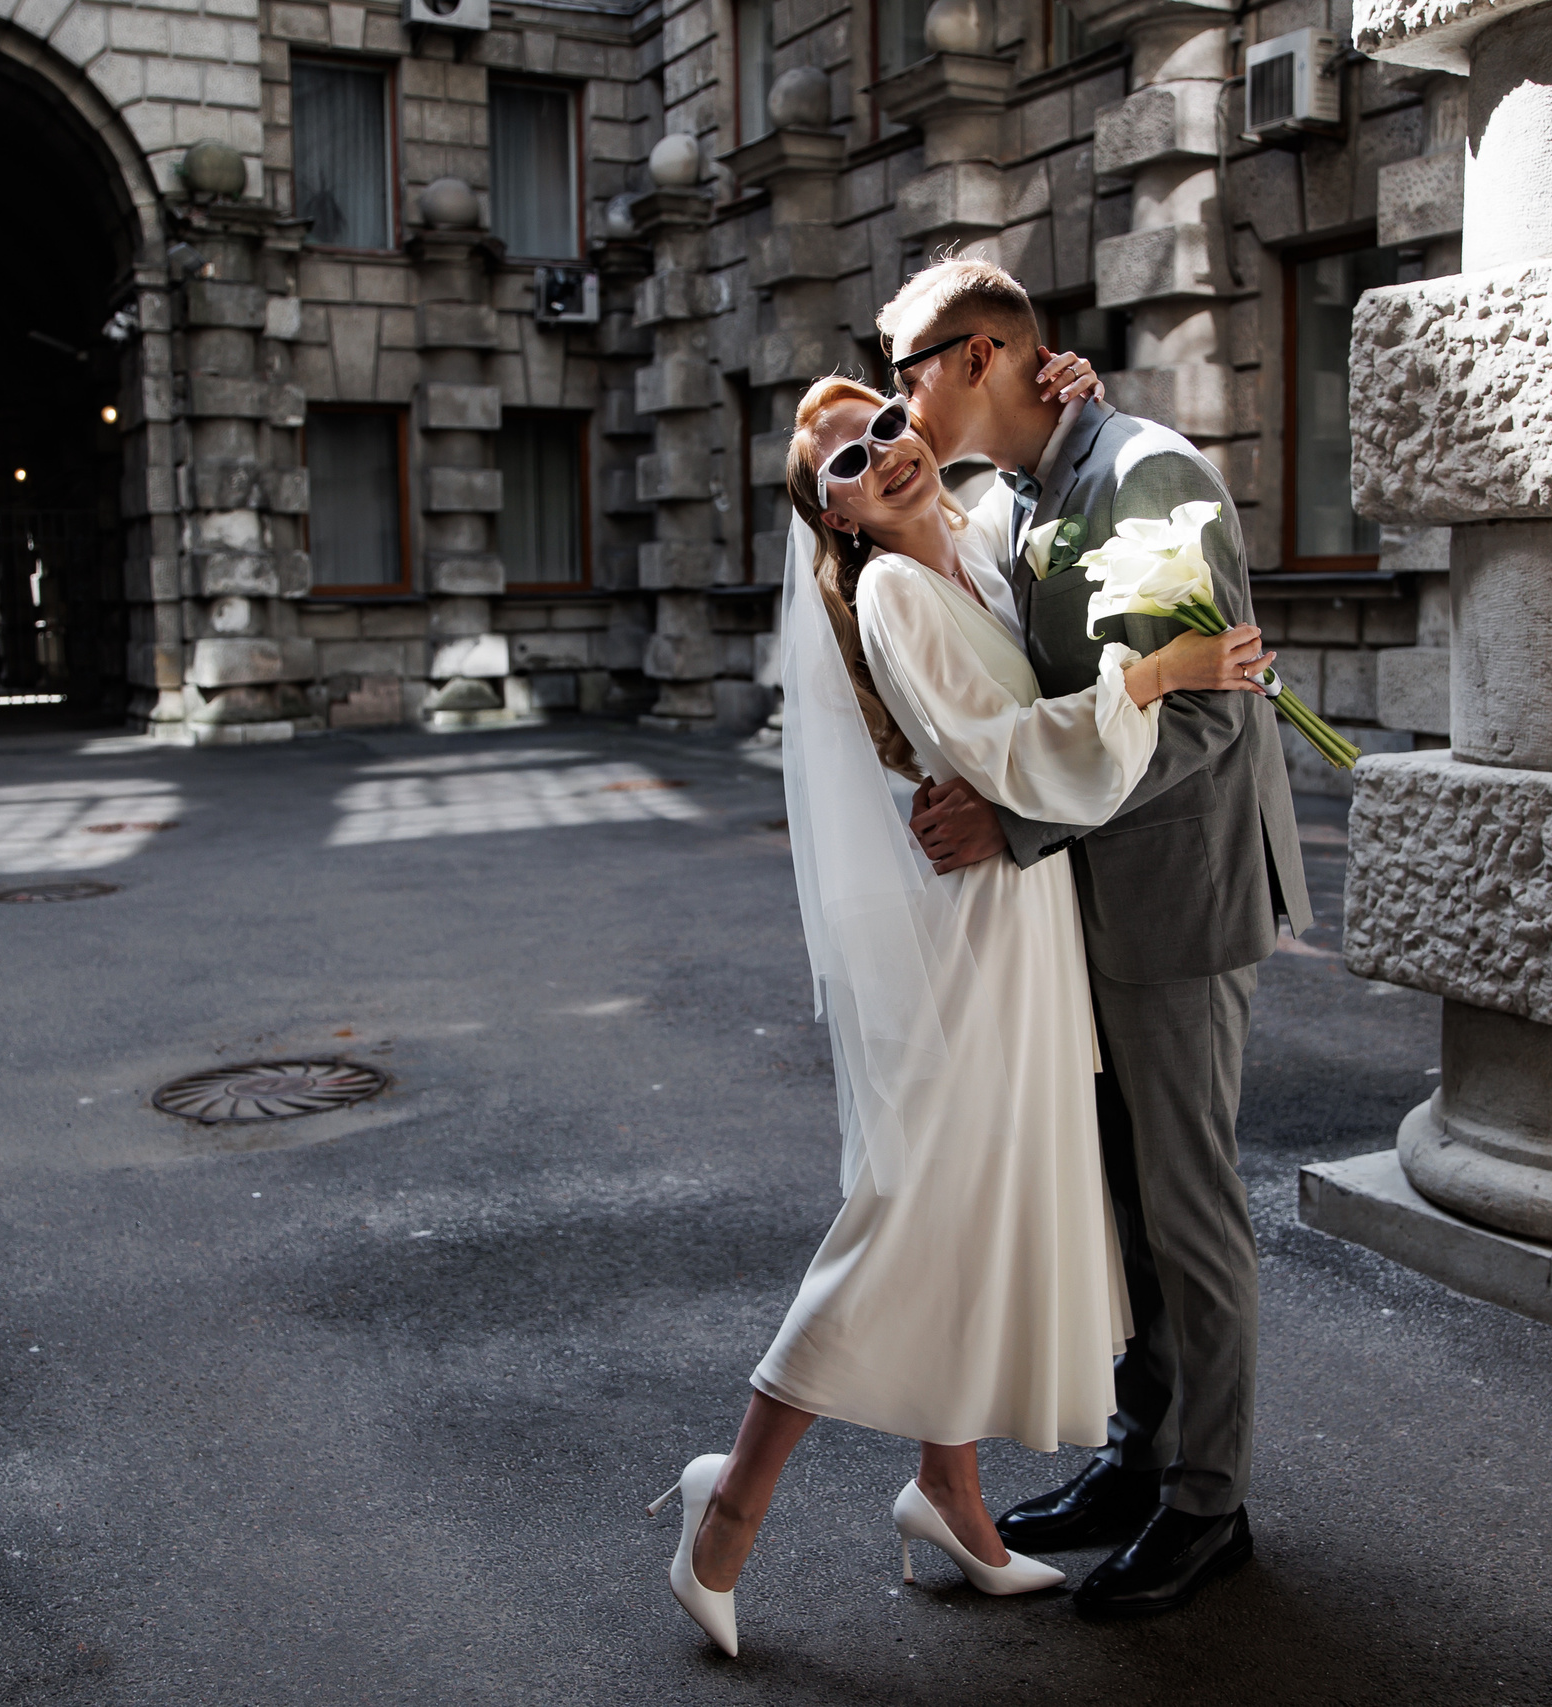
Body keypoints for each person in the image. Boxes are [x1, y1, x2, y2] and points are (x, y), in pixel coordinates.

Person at [649, 371, 1275, 1657]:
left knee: (977, 1203)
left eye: (885, 423)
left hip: (1039, 919)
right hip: (987, 932)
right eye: (841, 463)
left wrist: (1084, 386)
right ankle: (731, 1505)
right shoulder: (889, 591)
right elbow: (1006, 750)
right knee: (915, 1207)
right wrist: (1163, 674)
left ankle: (950, 1495)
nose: (878, 453)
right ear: (834, 520)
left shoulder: (983, 542)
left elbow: (1043, 478)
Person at [875, 257, 1311, 1621]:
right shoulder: (1024, 493)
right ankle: (1141, 1459)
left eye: (910, 373)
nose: (899, 408)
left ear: (984, 353)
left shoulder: (1147, 475)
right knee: (1125, 1210)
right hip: (1094, 907)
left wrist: (1012, 830)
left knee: (1188, 1211)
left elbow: (1205, 718)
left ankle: (1208, 1503)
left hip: (1179, 901)